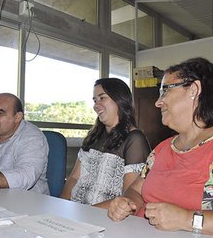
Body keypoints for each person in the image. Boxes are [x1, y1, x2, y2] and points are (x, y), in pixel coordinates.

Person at [107, 58, 213, 238]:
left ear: (194, 89)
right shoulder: (162, 149)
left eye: (165, 90)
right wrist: (127, 202)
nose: (158, 102)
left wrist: (186, 219)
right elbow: (135, 191)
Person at [60, 78, 151, 208]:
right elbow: (73, 178)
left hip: (106, 217)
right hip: (77, 211)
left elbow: (129, 198)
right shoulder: (93, 136)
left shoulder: (134, 139)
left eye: (102, 98)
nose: (96, 105)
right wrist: (61, 206)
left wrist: (86, 213)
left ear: (120, 99)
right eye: (95, 100)